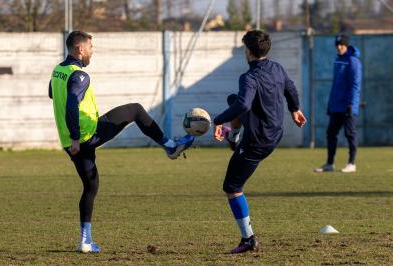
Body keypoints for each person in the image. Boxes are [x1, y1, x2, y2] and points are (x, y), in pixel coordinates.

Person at [48, 31, 195, 253]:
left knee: (91, 186)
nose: (92, 51)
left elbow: (52, 93)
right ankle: (170, 146)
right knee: (135, 110)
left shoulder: (58, 71)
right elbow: (70, 106)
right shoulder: (80, 76)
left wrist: (73, 138)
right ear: (80, 49)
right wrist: (78, 136)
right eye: (90, 47)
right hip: (86, 136)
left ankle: (85, 241)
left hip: (69, 143)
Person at [213, 30, 306, 254]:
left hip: (258, 141)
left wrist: (218, 120)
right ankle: (234, 136)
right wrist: (295, 110)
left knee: (232, 187)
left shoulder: (249, 77)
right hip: (276, 132)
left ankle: (248, 240)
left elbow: (245, 105)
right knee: (232, 100)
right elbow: (290, 88)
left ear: (248, 51)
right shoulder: (277, 68)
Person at [314, 34, 362, 173]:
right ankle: (329, 164)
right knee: (331, 133)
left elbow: (355, 85)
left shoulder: (353, 61)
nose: (339, 47)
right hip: (336, 105)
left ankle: (351, 163)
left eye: (341, 44)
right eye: (337, 44)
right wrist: (331, 103)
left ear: (346, 45)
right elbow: (336, 85)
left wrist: (351, 104)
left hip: (348, 105)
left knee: (350, 134)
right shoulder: (338, 60)